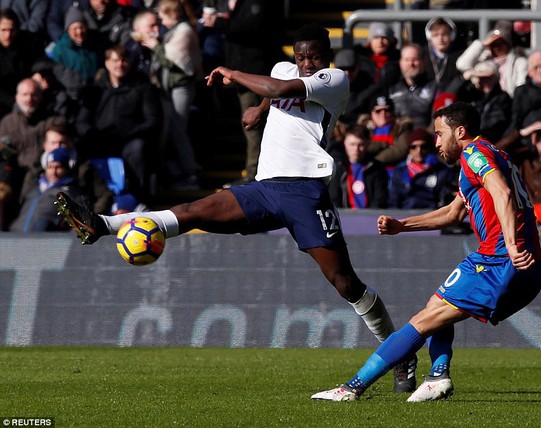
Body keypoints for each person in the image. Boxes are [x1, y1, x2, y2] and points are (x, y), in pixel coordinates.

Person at [54, 23, 418, 393]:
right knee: (195, 209)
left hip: (305, 191)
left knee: (345, 283)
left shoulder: (334, 79)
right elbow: (275, 91)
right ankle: (103, 224)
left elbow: (280, 90)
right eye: (302, 56)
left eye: (315, 56)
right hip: (265, 187)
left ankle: (400, 353)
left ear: (327, 54)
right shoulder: (281, 69)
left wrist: (234, 74)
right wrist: (260, 111)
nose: (307, 63)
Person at [312, 102, 541, 402]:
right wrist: (401, 225)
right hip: (524, 265)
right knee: (435, 306)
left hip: (500, 260)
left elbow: (502, 192)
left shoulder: (475, 154)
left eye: (439, 134)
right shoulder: (490, 156)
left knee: (423, 321)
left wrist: (511, 245)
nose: (436, 142)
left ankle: (352, 388)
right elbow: (452, 213)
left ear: (460, 132)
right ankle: (437, 376)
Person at [200, 0, 286, 187]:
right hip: (242, 72)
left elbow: (252, 28)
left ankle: (255, 173)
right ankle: (255, 171)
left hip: (254, 73)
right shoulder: (233, 4)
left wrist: (220, 23)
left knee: (253, 125)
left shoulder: (256, 4)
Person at [75, 44, 161, 200]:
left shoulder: (142, 88)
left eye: (124, 60)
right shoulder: (96, 90)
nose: (120, 64)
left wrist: (129, 133)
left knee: (138, 149)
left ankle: (139, 199)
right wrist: (92, 134)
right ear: (107, 63)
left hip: (129, 140)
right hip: (101, 140)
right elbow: (82, 121)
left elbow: (152, 120)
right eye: (115, 60)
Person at [139, 0, 202, 190]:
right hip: (170, 89)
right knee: (173, 131)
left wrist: (155, 46)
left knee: (178, 131)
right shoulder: (174, 31)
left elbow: (172, 62)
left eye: (164, 17)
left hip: (180, 88)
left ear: (173, 15)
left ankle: (191, 173)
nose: (162, 22)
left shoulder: (184, 32)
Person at [9, 146, 82, 232]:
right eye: (50, 167)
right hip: (15, 239)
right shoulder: (33, 191)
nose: (53, 172)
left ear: (66, 169)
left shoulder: (70, 194)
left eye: (58, 167)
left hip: (44, 242)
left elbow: (78, 227)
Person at [456, 20, 527, 98]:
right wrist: (482, 44)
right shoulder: (484, 59)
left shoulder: (519, 62)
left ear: (508, 45)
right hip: (485, 100)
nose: (496, 47)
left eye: (500, 43)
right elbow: (461, 65)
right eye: (493, 44)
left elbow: (521, 88)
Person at [388, 127, 455, 209]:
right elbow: (393, 202)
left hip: (433, 217)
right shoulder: (400, 171)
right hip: (405, 217)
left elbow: (445, 201)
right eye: (413, 147)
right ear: (409, 149)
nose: (419, 150)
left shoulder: (442, 171)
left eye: (423, 146)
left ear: (429, 148)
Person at [0, 8, 47, 119]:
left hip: (29, 93)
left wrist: (39, 73)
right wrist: (15, 102)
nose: (8, 35)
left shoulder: (28, 41)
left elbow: (41, 60)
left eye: (12, 30)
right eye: (3, 30)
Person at [328, 123, 389, 209]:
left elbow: (379, 200)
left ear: (368, 144)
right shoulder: (338, 167)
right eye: (352, 144)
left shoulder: (377, 168)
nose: (356, 149)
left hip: (371, 218)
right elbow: (334, 199)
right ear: (344, 143)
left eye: (361, 145)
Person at [388, 43, 437, 129]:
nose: (411, 64)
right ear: (401, 63)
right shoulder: (392, 88)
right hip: (397, 137)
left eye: (415, 59)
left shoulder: (434, 87)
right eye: (407, 60)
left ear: (423, 62)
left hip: (425, 137)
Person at [461, 60, 512, 143]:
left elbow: (495, 123)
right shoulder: (472, 96)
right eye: (481, 78)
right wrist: (466, 76)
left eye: (489, 78)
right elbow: (449, 94)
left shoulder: (502, 98)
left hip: (489, 142)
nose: (485, 82)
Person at [359, 94, 413, 169]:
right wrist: (384, 144)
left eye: (387, 110)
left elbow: (401, 149)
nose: (383, 114)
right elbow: (360, 147)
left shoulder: (402, 127)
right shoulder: (362, 128)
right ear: (371, 113)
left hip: (394, 170)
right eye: (378, 111)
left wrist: (375, 162)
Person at [354, 22, 400, 91]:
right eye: (376, 37)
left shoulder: (399, 59)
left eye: (384, 38)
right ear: (370, 41)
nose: (380, 42)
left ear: (390, 41)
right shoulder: (359, 59)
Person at [423, 17, 462, 96]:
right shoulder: (422, 56)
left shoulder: (459, 56)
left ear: (452, 36)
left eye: (444, 34)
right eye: (436, 35)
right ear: (429, 38)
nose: (440, 38)